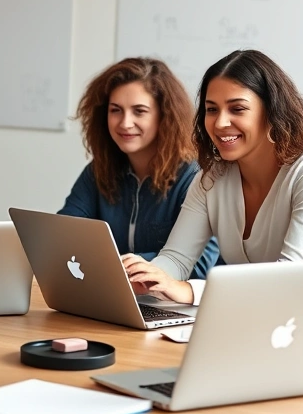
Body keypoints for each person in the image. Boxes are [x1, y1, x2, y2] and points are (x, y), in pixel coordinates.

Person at [124, 49, 303, 304]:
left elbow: (292, 279)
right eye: (211, 109)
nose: (220, 123)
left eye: (237, 109)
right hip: (253, 319)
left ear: (272, 111)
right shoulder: (211, 179)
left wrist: (188, 291)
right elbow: (176, 259)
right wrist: (144, 275)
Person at [58, 57, 218, 278]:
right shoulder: (99, 170)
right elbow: (62, 236)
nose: (125, 123)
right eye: (115, 110)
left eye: (139, 111)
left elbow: (199, 266)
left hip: (175, 306)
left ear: (165, 116)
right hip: (111, 295)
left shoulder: (194, 176)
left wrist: (111, 265)